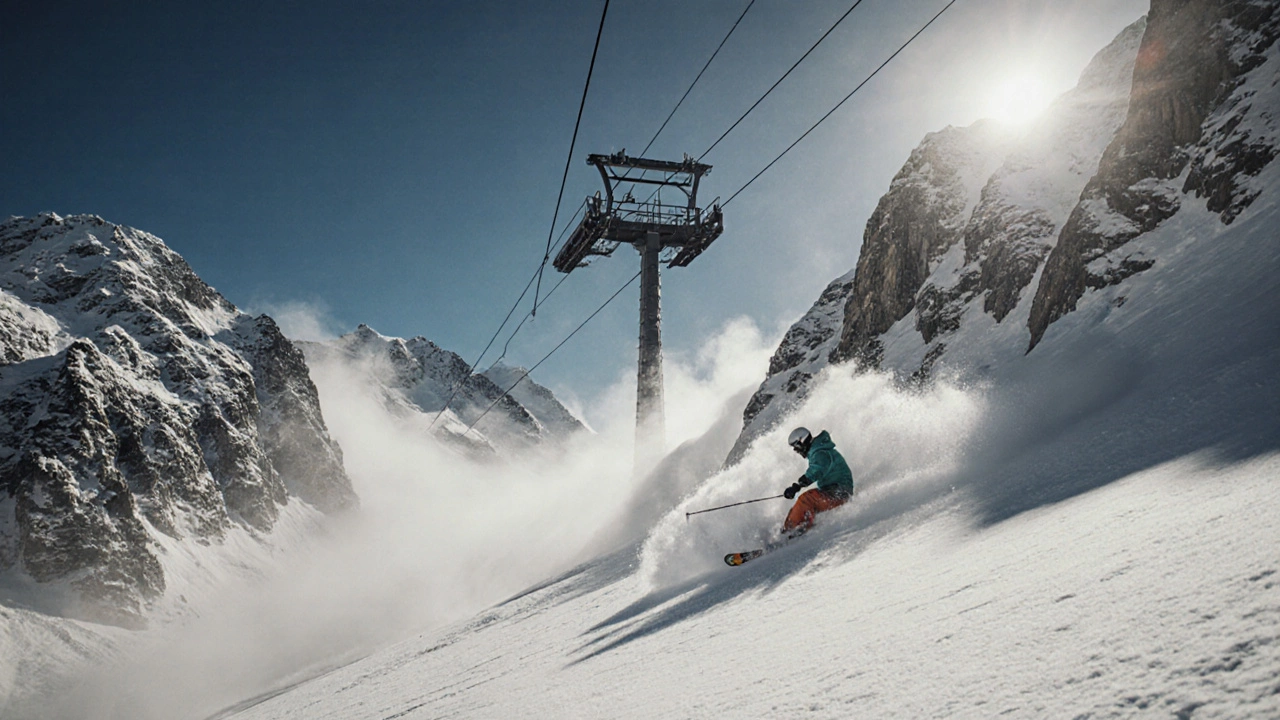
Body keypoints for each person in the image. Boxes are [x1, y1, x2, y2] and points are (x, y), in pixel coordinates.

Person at [781, 427, 854, 537]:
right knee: (803, 501)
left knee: (807, 499)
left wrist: (798, 486)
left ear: (802, 442)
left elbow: (817, 470)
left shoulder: (820, 453)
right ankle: (793, 529)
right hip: (834, 492)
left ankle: (790, 533)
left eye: (796, 448)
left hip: (839, 493)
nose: (797, 451)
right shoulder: (819, 450)